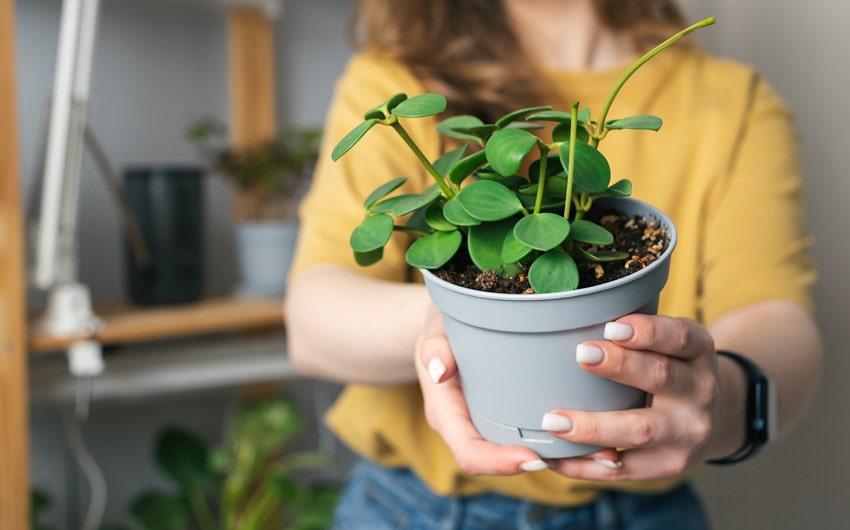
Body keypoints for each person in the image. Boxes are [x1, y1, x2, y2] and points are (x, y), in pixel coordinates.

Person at [285, 0, 823, 528]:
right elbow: (312, 322)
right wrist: (449, 322)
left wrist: (723, 398)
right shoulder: (395, 80)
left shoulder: (731, 102)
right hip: (412, 510)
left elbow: (774, 318)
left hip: (646, 512)